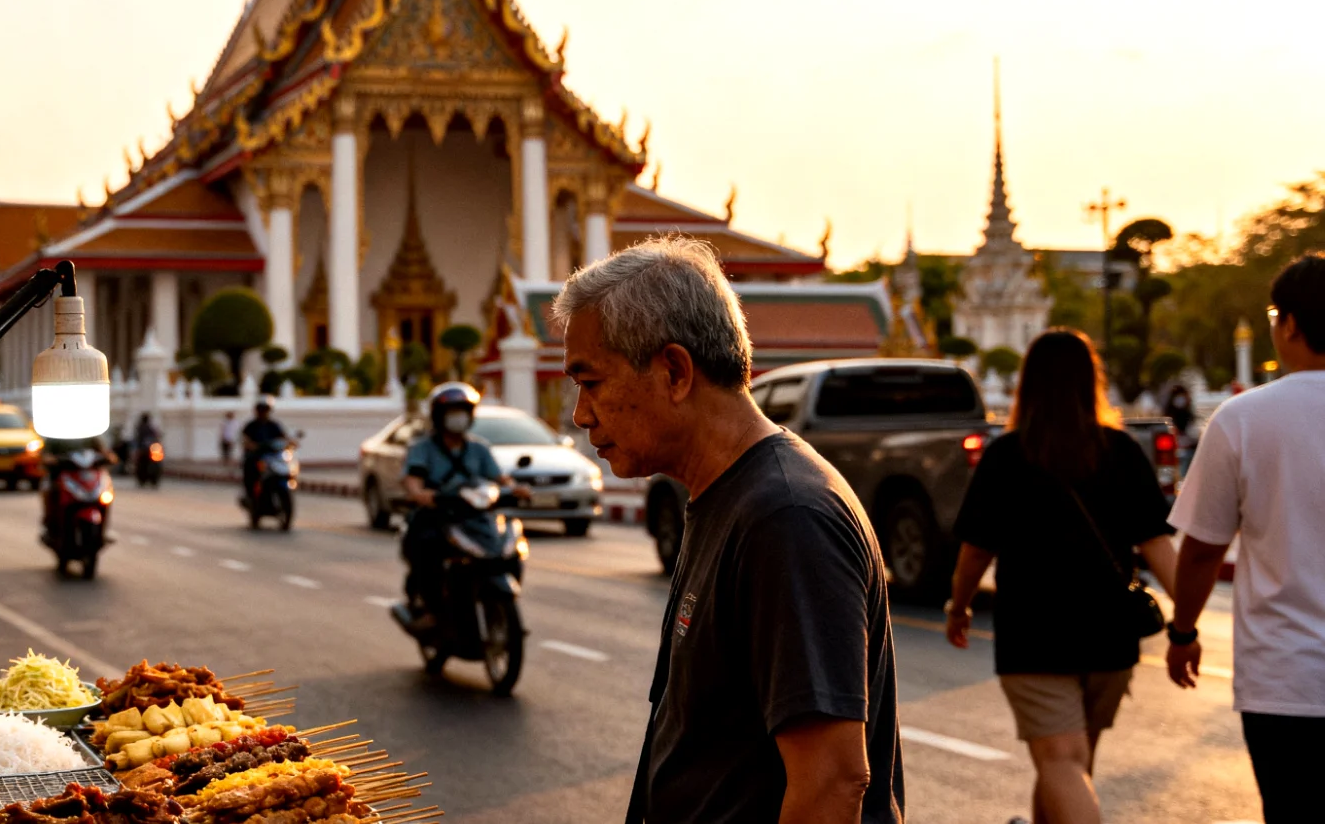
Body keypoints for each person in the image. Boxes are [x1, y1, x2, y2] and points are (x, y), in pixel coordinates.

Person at [554, 236, 902, 824]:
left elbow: (833, 783)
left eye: (591, 383)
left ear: (674, 371)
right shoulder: (725, 496)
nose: (580, 413)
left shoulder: (786, 518)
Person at [945, 329, 1177, 824]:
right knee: (1072, 764)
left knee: (1061, 762)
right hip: (1110, 638)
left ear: (1028, 385)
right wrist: (1187, 625)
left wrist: (959, 606)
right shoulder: (1121, 451)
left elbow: (975, 551)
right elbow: (1158, 545)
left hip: (1035, 637)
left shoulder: (1008, 455)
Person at [1164, 252, 1325, 824]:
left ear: (1289, 324)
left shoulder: (1243, 419)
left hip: (1286, 679)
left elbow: (1203, 547)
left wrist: (1182, 632)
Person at [397, 383, 525, 629]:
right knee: (427, 548)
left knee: (510, 547)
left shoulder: (479, 448)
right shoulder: (422, 449)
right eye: (452, 412)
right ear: (438, 415)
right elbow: (413, 482)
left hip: (475, 517)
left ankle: (499, 598)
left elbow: (500, 478)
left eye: (463, 411)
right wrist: (421, 494)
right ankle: (432, 610)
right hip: (437, 516)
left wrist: (515, 487)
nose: (459, 418)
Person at [238, 399, 289, 503]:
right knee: (250, 470)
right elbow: (245, 439)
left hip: (272, 456)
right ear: (257, 411)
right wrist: (250, 445)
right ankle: (250, 495)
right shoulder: (251, 425)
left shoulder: (273, 425)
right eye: (261, 410)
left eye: (265, 410)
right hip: (256, 456)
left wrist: (290, 442)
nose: (263, 413)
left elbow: (283, 437)